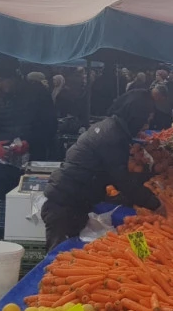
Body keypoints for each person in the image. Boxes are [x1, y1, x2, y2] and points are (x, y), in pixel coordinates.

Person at [39, 90, 162, 246]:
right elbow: (122, 180)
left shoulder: (113, 128)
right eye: (145, 120)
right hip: (65, 203)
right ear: (135, 116)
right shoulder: (111, 136)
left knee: (70, 250)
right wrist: (155, 204)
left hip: (76, 200)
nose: (145, 126)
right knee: (57, 258)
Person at [0, 57, 57, 160]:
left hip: (33, 156)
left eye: (1, 80)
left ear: (14, 77)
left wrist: (29, 142)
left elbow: (50, 126)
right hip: (3, 157)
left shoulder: (37, 92)